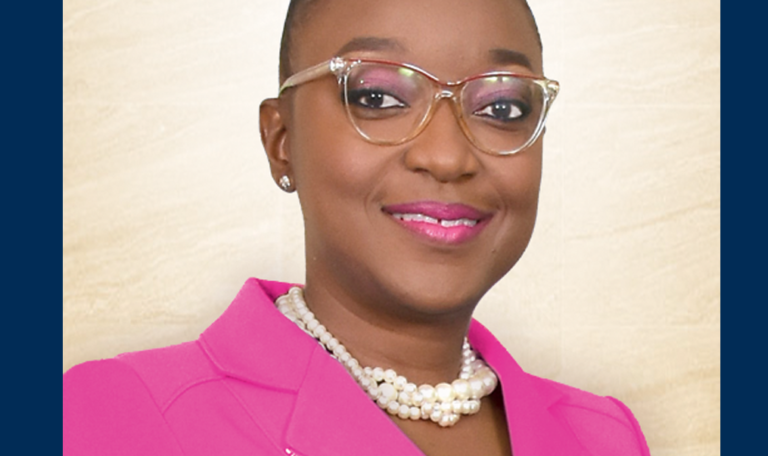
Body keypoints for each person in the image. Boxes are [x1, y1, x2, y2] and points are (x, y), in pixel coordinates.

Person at [63, 0, 651, 454]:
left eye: (502, 108)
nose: (447, 157)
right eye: (378, 97)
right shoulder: (114, 415)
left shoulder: (605, 437)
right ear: (281, 140)